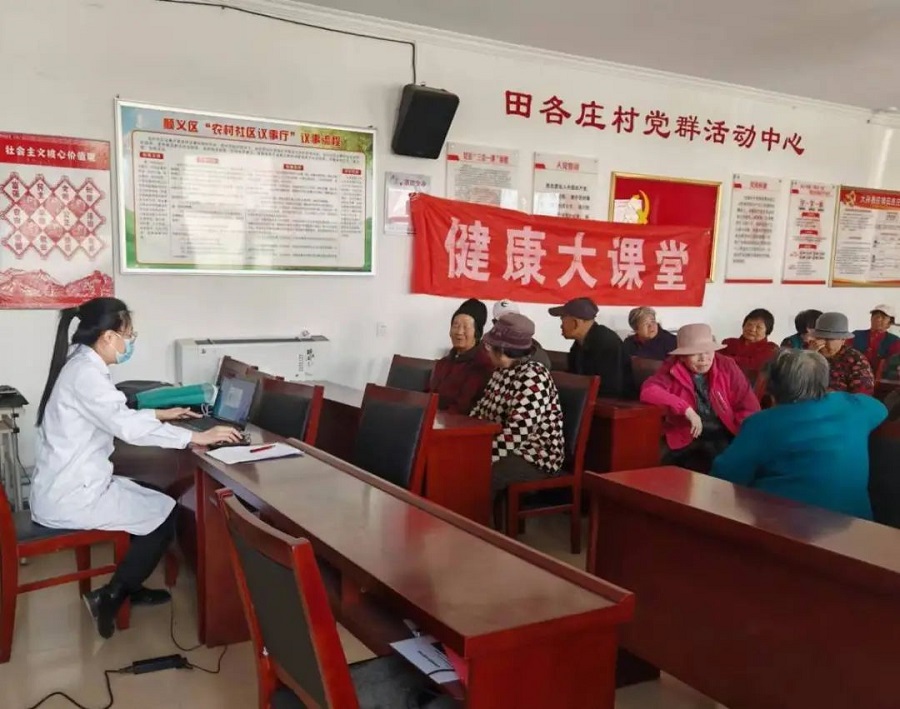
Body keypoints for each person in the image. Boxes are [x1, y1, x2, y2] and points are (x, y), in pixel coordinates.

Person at [31, 297, 241, 639]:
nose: (130, 342)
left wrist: (159, 414)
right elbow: (126, 427)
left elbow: (113, 414)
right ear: (107, 337)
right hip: (73, 495)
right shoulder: (86, 374)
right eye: (129, 335)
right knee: (164, 513)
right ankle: (114, 594)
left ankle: (130, 581)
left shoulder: (81, 363)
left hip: (74, 483)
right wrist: (194, 437)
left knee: (155, 496)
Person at [711, 349, 886, 519]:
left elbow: (724, 476)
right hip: (857, 525)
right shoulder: (854, 407)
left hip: (784, 528)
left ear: (771, 386)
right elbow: (881, 409)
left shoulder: (761, 424)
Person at [640, 324, 760, 472]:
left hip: (724, 433)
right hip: (686, 435)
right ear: (682, 357)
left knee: (724, 467)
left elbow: (749, 406)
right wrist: (686, 409)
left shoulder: (726, 365)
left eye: (708, 352)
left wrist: (742, 439)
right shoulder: (672, 366)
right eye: (695, 353)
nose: (704, 359)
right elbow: (649, 391)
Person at [470, 314, 565, 496]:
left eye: (490, 347)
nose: (487, 351)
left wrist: (482, 455)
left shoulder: (534, 376)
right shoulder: (501, 371)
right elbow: (480, 410)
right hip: (502, 446)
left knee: (476, 474)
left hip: (534, 455)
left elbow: (518, 432)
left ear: (503, 350)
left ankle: (471, 515)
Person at [549, 297, 625, 396]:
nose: (561, 326)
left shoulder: (606, 342)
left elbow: (612, 386)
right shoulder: (579, 344)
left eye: (562, 320)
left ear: (575, 322)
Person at [429, 298, 493, 415]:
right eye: (455, 325)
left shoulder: (483, 366)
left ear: (477, 333)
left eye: (466, 327)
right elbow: (428, 395)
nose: (459, 332)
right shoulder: (443, 362)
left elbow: (463, 407)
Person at [809, 312, 874, 395]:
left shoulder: (855, 359)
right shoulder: (808, 353)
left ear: (843, 340)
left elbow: (862, 395)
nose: (822, 343)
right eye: (819, 338)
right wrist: (809, 356)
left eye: (830, 339)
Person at [491, 300, 552, 369]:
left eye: (513, 318)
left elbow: (544, 367)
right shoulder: (488, 346)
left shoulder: (534, 347)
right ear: (495, 323)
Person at [721, 308, 779, 378]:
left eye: (758, 327)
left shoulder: (771, 349)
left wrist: (728, 359)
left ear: (767, 331)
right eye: (749, 325)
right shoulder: (728, 343)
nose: (752, 329)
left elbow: (756, 365)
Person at [851, 304, 900, 370]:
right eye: (876, 316)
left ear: (890, 323)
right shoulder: (855, 335)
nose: (878, 319)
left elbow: (894, 366)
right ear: (871, 319)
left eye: (883, 317)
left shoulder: (895, 341)